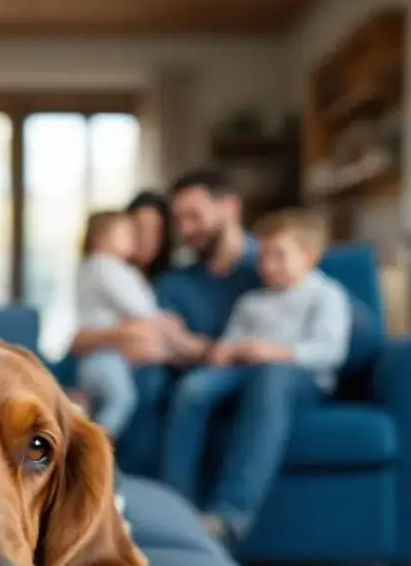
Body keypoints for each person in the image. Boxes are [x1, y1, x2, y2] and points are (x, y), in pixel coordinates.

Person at [160, 208, 352, 546]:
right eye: (263, 256)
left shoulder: (326, 295)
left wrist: (271, 352)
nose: (268, 265)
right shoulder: (252, 300)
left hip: (298, 378)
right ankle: (175, 503)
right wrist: (223, 350)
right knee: (193, 388)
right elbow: (232, 341)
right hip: (242, 370)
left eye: (280, 256)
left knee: (272, 376)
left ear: (310, 256)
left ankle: (230, 514)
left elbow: (329, 351)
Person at [74, 210, 205, 440]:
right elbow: (139, 307)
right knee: (121, 400)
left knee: (107, 403)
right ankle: (90, 449)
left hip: (108, 358)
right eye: (125, 233)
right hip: (104, 357)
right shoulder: (104, 266)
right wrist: (164, 320)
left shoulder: (109, 268)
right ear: (100, 237)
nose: (133, 238)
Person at [125, 190, 174, 281]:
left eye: (154, 230)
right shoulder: (107, 275)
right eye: (139, 228)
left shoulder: (173, 281)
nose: (145, 238)